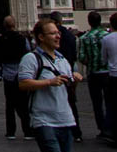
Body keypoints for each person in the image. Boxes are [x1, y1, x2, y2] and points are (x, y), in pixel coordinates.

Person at [19, 18, 84, 152]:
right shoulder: (31, 58)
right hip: (43, 120)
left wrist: (74, 77)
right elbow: (23, 83)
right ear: (40, 37)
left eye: (58, 32)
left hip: (65, 119)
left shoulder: (63, 59)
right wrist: (48, 82)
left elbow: (68, 82)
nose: (58, 36)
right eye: (53, 33)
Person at [0, 16, 32, 139]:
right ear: (15, 25)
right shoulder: (22, 39)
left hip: (8, 75)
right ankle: (28, 131)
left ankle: (11, 132)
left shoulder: (0, 40)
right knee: (23, 103)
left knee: (10, 104)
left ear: (4, 26)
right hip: (21, 74)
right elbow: (29, 53)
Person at [77, 11, 111, 139]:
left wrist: (91, 62)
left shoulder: (84, 38)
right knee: (109, 102)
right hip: (107, 73)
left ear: (89, 22)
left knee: (97, 103)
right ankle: (110, 127)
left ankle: (102, 129)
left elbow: (81, 57)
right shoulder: (107, 36)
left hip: (93, 73)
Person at [50, 11, 82, 142]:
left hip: (57, 69)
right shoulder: (70, 35)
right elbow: (75, 54)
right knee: (71, 101)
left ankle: (58, 129)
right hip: (69, 67)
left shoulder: (53, 36)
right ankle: (76, 132)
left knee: (56, 98)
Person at [101, 11, 117, 143]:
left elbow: (104, 59)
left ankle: (113, 133)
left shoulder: (107, 39)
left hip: (113, 75)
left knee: (113, 105)